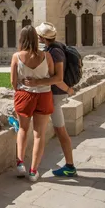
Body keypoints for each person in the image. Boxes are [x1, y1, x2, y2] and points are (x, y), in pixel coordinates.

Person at [30, 22, 77, 177]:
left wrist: (37, 82)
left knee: (60, 131)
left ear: (43, 38)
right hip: (55, 93)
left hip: (56, 95)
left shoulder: (54, 52)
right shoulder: (54, 48)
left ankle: (70, 166)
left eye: (39, 36)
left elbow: (58, 78)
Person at [10, 25, 55, 181]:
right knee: (39, 134)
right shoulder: (47, 57)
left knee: (22, 129)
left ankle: (20, 164)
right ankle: (33, 171)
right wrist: (39, 82)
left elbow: (13, 82)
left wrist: (22, 89)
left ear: (21, 39)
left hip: (24, 95)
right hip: (44, 95)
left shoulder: (16, 56)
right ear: (37, 39)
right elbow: (52, 77)